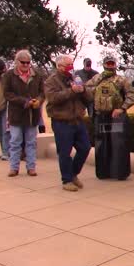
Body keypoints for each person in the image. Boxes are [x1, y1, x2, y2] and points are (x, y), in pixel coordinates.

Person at [44, 54, 92, 191]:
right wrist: (71, 91)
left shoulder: (75, 78)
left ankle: (73, 174)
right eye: (68, 65)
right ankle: (67, 180)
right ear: (59, 66)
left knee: (85, 148)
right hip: (62, 121)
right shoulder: (51, 81)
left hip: (78, 119)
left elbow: (88, 97)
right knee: (64, 152)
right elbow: (53, 98)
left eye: (72, 64)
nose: (71, 68)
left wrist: (82, 90)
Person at [85, 55, 134, 179]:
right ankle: (103, 173)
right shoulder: (96, 78)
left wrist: (122, 108)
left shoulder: (122, 80)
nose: (110, 65)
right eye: (108, 63)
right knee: (101, 144)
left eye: (112, 63)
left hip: (117, 117)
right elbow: (86, 91)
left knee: (119, 145)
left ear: (115, 65)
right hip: (100, 116)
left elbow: (131, 96)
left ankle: (120, 173)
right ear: (104, 64)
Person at [3, 50, 45, 177]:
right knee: (15, 141)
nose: (26, 65)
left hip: (33, 115)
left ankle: (31, 167)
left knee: (31, 142)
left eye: (28, 62)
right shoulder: (9, 75)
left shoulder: (37, 75)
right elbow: (7, 94)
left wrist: (38, 101)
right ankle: (14, 167)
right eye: (23, 62)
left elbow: (43, 92)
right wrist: (24, 102)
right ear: (17, 62)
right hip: (16, 114)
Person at [0, 58, 8, 161]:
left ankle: (6, 152)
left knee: (5, 130)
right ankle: (4, 151)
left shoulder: (4, 79)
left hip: (5, 107)